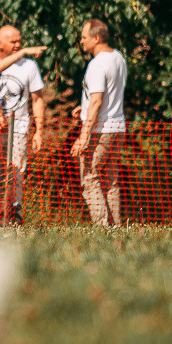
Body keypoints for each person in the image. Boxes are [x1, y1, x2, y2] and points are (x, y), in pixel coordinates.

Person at [69, 18, 127, 226]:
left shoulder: (97, 64)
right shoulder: (118, 58)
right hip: (118, 127)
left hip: (99, 131)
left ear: (96, 37)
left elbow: (96, 101)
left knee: (90, 178)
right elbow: (106, 96)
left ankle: (102, 226)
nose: (81, 42)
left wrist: (83, 137)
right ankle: (116, 226)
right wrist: (83, 108)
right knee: (110, 181)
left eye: (84, 37)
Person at [0, 25, 46, 225]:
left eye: (19, 41)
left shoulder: (29, 67)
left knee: (16, 170)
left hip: (19, 128)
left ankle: (14, 211)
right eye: (12, 41)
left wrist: (39, 131)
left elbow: (38, 99)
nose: (17, 45)